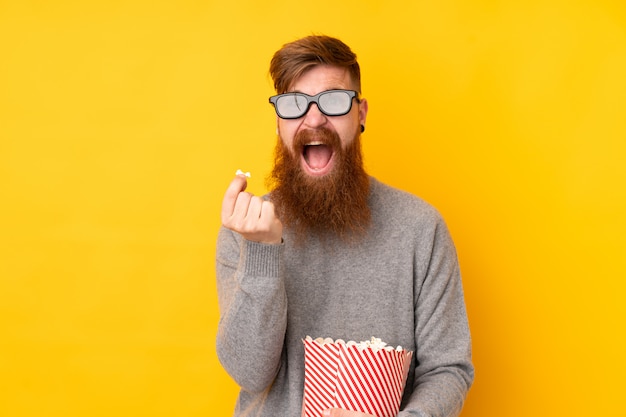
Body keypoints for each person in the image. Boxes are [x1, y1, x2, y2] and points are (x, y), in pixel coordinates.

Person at [216, 35, 474, 417]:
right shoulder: (247, 227)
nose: (315, 118)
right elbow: (249, 373)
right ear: (278, 122)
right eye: (295, 104)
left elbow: (448, 369)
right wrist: (262, 253)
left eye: (334, 101)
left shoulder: (421, 229)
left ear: (362, 113)